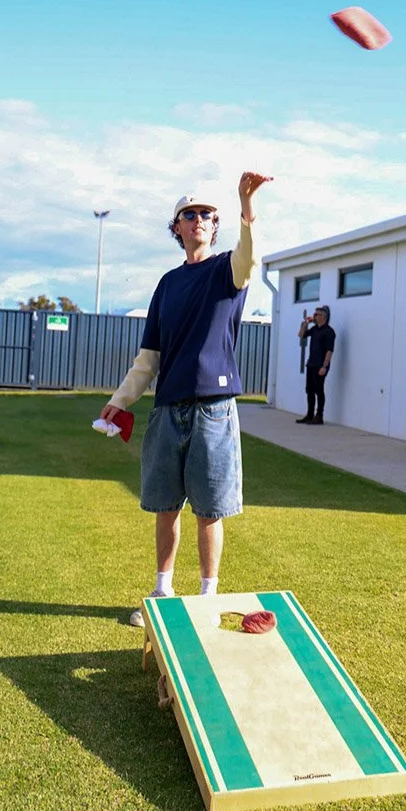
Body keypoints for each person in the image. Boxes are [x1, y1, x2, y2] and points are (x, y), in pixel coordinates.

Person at [100, 171, 273, 627]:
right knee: (165, 505)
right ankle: (161, 591)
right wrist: (121, 400)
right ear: (176, 227)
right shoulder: (167, 285)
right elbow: (148, 357)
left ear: (216, 226)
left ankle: (207, 598)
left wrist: (246, 206)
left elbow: (249, 258)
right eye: (189, 214)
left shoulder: (227, 270)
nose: (198, 220)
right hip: (167, 409)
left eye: (206, 215)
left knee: (210, 509)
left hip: (214, 411)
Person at [296, 305, 336, 425]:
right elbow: (301, 335)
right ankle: (309, 414)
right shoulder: (314, 330)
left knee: (319, 390)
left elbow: (329, 351)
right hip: (311, 363)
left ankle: (319, 416)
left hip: (320, 365)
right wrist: (306, 323)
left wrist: (324, 366)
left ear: (323, 316)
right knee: (310, 390)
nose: (314, 317)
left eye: (316, 315)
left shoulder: (329, 332)